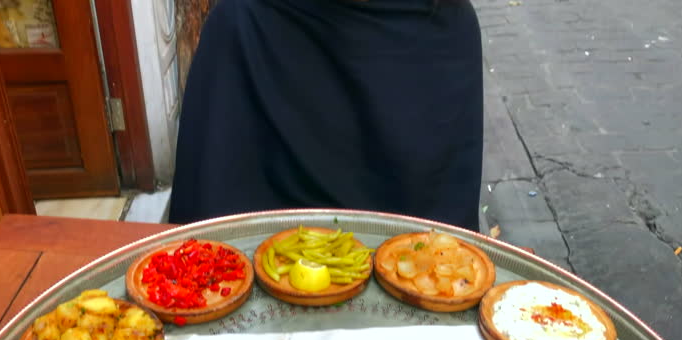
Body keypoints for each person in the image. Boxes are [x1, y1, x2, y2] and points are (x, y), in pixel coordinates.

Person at [168, 0, 484, 231]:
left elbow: (452, 253)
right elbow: (203, 246)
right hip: (266, 288)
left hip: (412, 290)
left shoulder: (448, 30)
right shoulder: (239, 28)